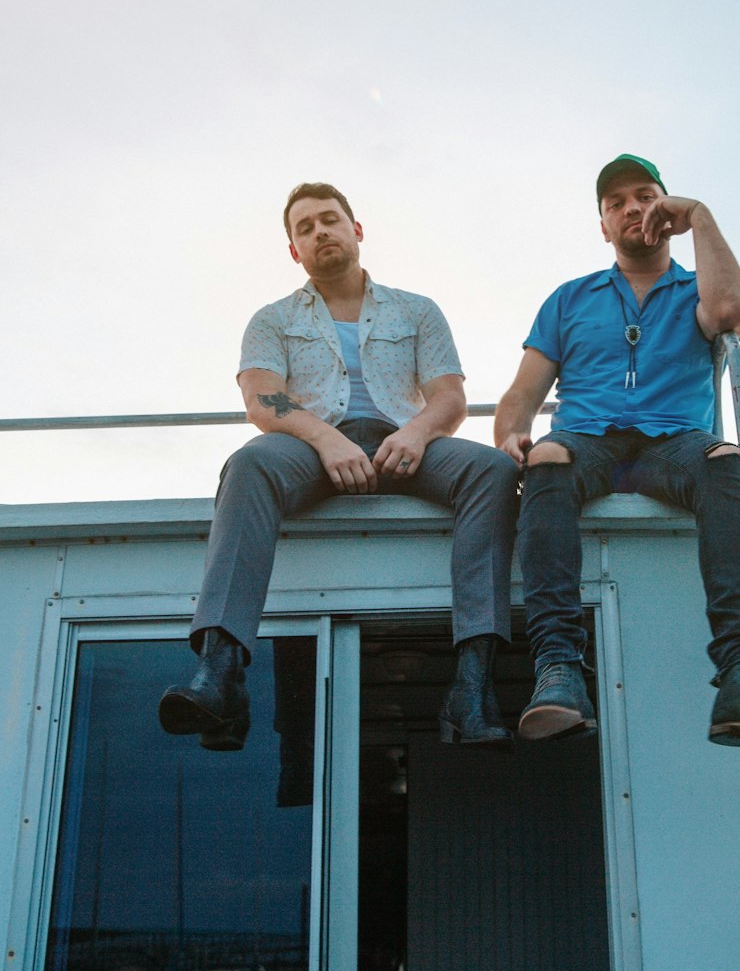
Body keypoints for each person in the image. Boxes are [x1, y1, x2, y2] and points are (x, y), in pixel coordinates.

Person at [158, 183, 519, 750]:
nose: (319, 231)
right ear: (294, 251)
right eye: (304, 228)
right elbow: (263, 399)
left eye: (329, 219)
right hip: (308, 447)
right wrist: (326, 439)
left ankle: (472, 686)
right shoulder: (271, 319)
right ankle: (221, 672)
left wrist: (417, 433)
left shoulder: (417, 310)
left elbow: (448, 398)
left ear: (357, 229)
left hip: (404, 444)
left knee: (494, 472)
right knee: (248, 466)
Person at [494, 153, 740, 747]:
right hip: (587, 442)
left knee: (726, 459)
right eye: (615, 203)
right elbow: (521, 394)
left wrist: (700, 217)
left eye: (645, 195)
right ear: (602, 225)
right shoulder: (569, 298)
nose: (631, 209)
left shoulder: (697, 287)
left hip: (673, 445)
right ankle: (559, 669)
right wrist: (511, 434)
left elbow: (730, 314)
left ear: (664, 207)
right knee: (545, 458)